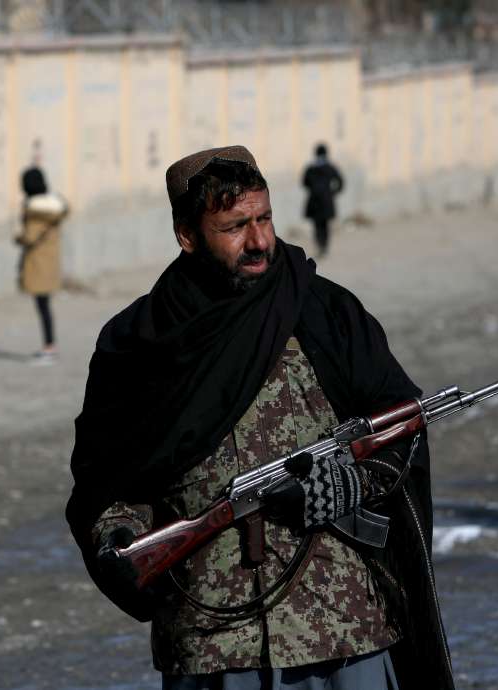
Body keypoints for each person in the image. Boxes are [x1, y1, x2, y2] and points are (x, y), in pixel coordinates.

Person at [66, 146, 453, 689]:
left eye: (264, 218)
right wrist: (120, 535)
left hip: (342, 627)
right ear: (187, 235)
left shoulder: (325, 312)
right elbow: (108, 477)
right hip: (211, 640)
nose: (259, 241)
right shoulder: (139, 346)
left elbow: (400, 432)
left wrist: (343, 485)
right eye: (234, 226)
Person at [15, 166, 70, 364]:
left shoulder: (34, 210)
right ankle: (50, 345)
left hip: (37, 263)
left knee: (43, 307)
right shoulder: (54, 205)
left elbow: (29, 237)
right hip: (51, 261)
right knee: (46, 306)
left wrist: (18, 237)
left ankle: (49, 346)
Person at [301, 143, 344, 257]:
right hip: (326, 202)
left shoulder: (311, 168)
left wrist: (314, 189)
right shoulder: (330, 167)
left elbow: (304, 183)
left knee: (317, 226)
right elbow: (340, 182)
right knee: (324, 226)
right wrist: (332, 193)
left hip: (314, 202)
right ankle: (324, 246)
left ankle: (320, 246)